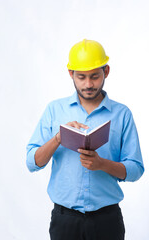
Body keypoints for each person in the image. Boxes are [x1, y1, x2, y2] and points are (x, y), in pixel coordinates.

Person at [26, 39, 144, 240]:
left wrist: (101, 164)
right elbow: (32, 162)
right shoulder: (55, 110)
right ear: (71, 74)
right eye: (81, 77)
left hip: (107, 221)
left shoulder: (122, 114)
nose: (88, 84)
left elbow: (135, 170)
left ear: (106, 72)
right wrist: (58, 138)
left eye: (95, 76)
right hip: (64, 221)